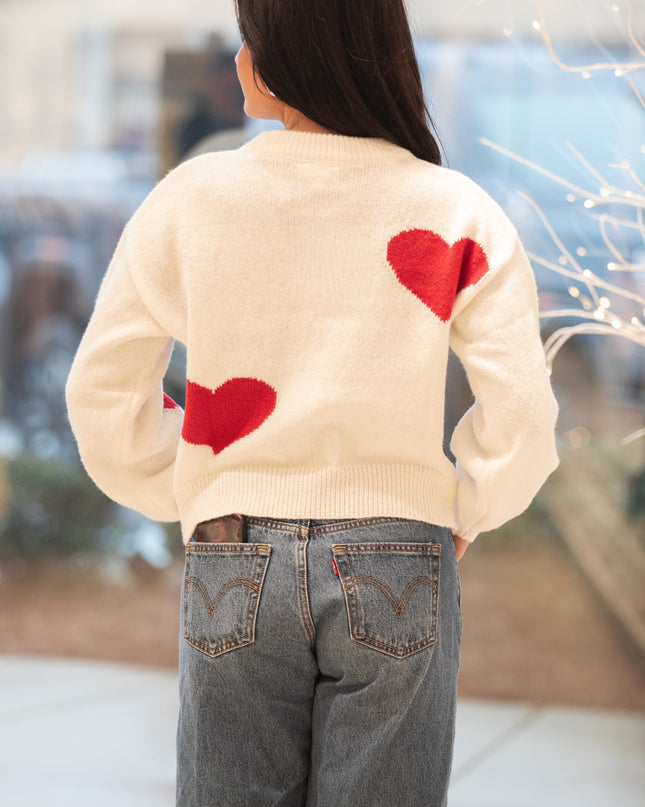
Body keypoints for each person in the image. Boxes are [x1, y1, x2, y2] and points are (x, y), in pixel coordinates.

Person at [65, 0, 560, 804]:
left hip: (233, 548)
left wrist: (189, 484)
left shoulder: (193, 198)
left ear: (278, 62)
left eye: (248, 40)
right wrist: (467, 500)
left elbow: (104, 388)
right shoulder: (454, 207)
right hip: (398, 549)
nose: (237, 60)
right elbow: (521, 409)